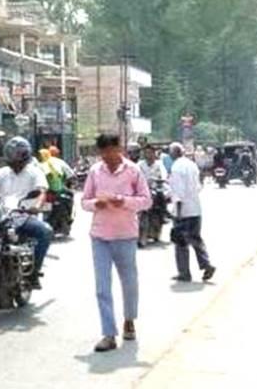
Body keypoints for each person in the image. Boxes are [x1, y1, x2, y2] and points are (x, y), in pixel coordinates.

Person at [81, 133, 152, 352]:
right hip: (100, 236)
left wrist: (123, 201)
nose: (109, 157)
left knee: (129, 282)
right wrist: (96, 204)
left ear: (119, 149)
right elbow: (84, 201)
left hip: (126, 235)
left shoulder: (133, 171)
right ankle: (108, 334)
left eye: (112, 151)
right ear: (100, 153)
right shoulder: (95, 171)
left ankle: (129, 320)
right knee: (102, 287)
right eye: (104, 153)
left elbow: (146, 201)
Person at [0, 136, 52, 287]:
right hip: (2, 216)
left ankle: (34, 272)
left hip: (23, 216)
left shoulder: (34, 172)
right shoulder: (2, 172)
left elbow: (42, 191)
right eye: (13, 154)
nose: (15, 159)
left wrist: (37, 206)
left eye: (19, 155)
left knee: (46, 231)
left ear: (25, 156)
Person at [167, 142, 216, 283]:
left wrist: (178, 213)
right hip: (195, 208)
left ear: (174, 153)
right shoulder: (192, 165)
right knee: (196, 239)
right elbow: (199, 186)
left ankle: (184, 273)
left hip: (184, 211)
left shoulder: (176, 168)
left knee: (180, 242)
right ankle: (206, 265)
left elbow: (178, 192)